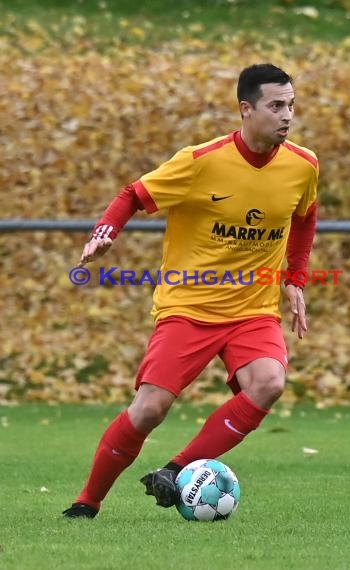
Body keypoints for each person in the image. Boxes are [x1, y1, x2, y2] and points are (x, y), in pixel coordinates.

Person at [62, 63, 318, 518]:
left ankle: (174, 469)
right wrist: (105, 231)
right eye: (276, 106)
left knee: (269, 383)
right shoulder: (202, 161)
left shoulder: (303, 165)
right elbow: (132, 196)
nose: (287, 116)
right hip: (188, 307)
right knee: (149, 410)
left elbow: (303, 219)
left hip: (252, 311)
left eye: (291, 105)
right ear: (246, 109)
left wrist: (296, 280)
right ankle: (87, 502)